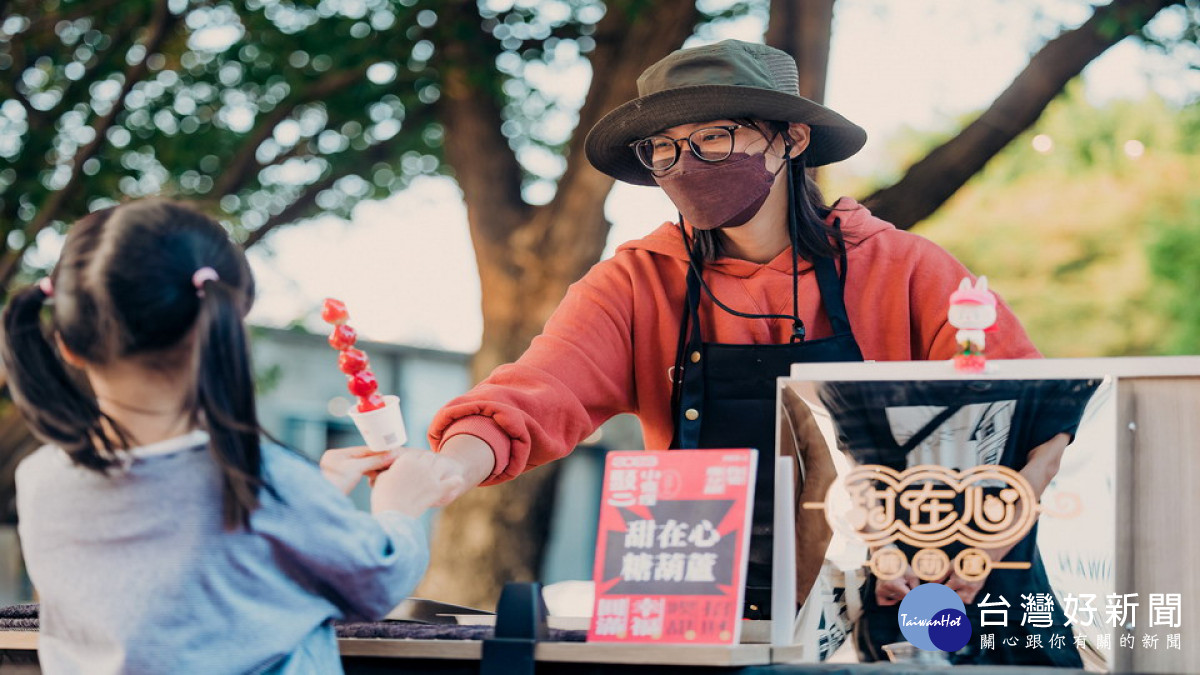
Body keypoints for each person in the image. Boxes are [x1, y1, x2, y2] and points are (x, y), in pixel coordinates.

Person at [417, 39, 1041, 623]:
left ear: (791, 139)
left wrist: (971, 546)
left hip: (888, 595)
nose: (684, 163)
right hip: (691, 601)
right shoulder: (637, 283)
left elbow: (1036, 416)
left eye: (712, 138)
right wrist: (446, 468)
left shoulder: (904, 268)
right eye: (664, 147)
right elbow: (533, 393)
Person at [0, 199, 462, 674]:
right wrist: (398, 509)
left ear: (70, 345)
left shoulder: (40, 481)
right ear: (221, 328)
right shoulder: (268, 483)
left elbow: (187, 567)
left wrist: (317, 494)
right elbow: (375, 582)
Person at [817, 378, 1101, 666]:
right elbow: (1042, 469)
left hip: (906, 586)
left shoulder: (857, 376)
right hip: (1003, 583)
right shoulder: (1043, 376)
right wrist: (983, 557)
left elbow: (863, 481)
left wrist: (886, 556)